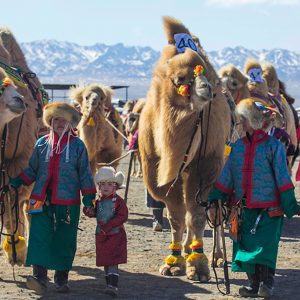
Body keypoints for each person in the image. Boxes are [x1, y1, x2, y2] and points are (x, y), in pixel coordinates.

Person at [208, 98, 300, 298]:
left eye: (242, 119)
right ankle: (252, 284)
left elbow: (283, 179)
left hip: (269, 211)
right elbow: (228, 176)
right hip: (243, 210)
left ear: (250, 120)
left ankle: (267, 283)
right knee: (246, 247)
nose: (239, 123)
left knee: (264, 249)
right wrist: (215, 195)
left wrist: (290, 205)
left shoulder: (274, 147)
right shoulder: (237, 148)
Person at [10, 102, 96, 295]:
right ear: (50, 122)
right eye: (56, 119)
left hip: (67, 201)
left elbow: (85, 174)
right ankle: (39, 277)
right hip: (40, 199)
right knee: (39, 236)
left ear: (70, 124)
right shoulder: (41, 144)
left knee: (64, 239)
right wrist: (16, 182)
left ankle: (61, 278)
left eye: (63, 120)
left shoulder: (77, 146)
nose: (59, 123)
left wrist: (89, 199)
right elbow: (32, 170)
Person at [83, 166, 128, 297]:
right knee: (106, 259)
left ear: (115, 186)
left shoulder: (119, 202)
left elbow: (123, 216)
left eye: (109, 184)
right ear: (99, 186)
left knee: (113, 260)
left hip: (115, 235)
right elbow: (95, 213)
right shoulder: (99, 201)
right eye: (102, 184)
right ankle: (109, 282)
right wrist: (89, 211)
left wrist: (109, 226)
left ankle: (113, 286)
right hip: (102, 235)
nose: (106, 187)